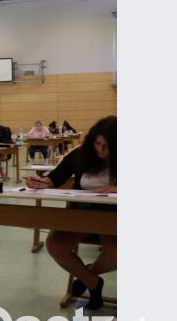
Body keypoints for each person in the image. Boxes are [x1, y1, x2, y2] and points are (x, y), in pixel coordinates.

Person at [25, 116, 116, 310]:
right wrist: (41, 182)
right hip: (81, 215)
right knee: (56, 245)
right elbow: (55, 178)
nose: (100, 150)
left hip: (114, 219)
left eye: (107, 146)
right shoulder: (81, 154)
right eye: (97, 144)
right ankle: (93, 283)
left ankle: (87, 276)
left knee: (116, 254)